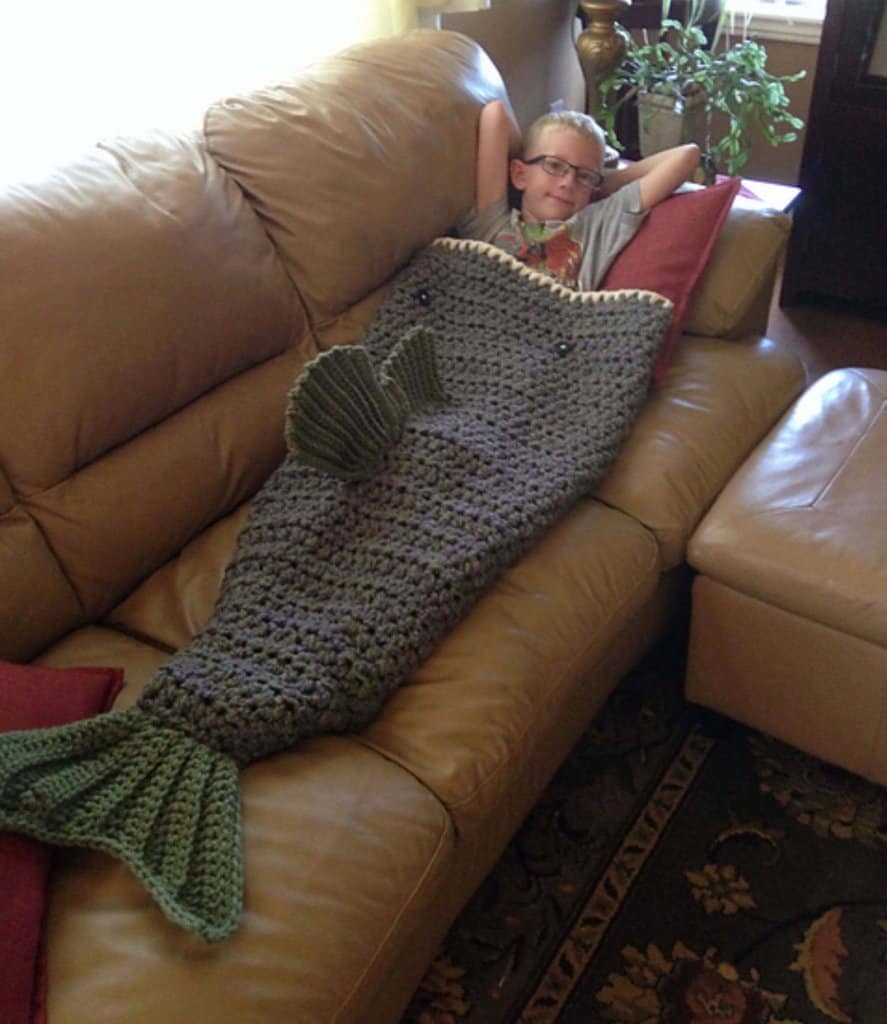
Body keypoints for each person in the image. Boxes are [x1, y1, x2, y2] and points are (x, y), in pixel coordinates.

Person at [457, 99, 700, 291]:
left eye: (583, 175)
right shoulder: (493, 222)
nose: (568, 182)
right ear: (519, 174)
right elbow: (494, 114)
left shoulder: (597, 224)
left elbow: (687, 156)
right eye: (554, 166)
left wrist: (606, 183)